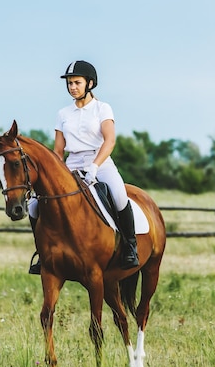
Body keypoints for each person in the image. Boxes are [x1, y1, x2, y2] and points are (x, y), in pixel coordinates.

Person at [28, 60, 140, 275]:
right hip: (72, 162)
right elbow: (58, 151)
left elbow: (110, 141)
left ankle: (130, 247)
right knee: (35, 205)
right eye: (69, 83)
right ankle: (42, 253)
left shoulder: (102, 108)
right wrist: (55, 174)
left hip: (100, 161)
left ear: (90, 83)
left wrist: (95, 167)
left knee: (119, 196)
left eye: (77, 82)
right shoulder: (63, 114)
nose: (72, 87)